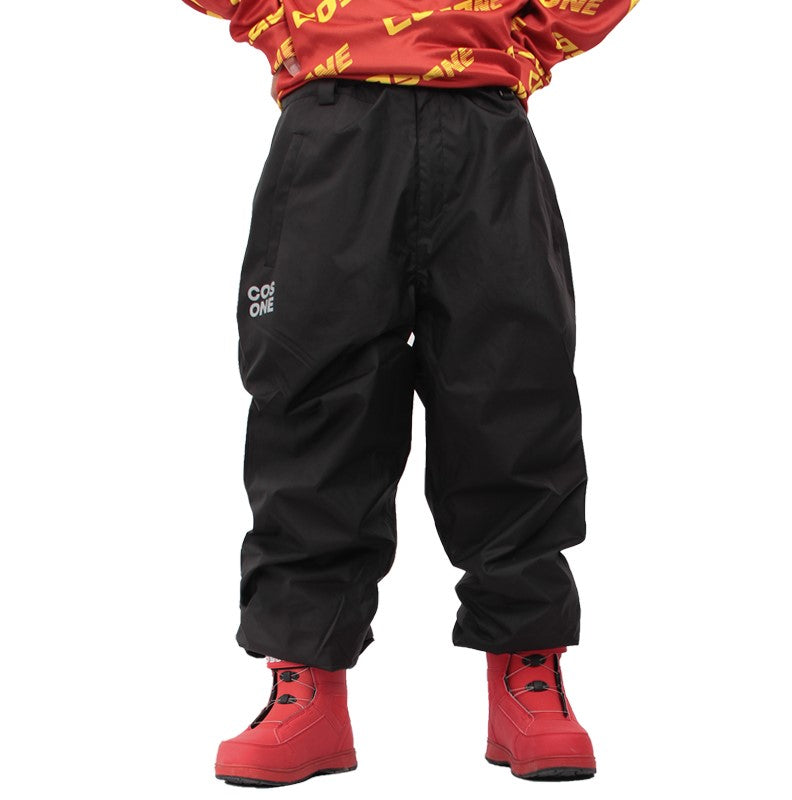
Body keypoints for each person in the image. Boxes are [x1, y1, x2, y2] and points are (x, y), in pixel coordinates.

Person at [180, 0, 640, 787]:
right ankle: (306, 685)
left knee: (515, 394)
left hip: (485, 120)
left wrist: (515, 43)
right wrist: (284, 22)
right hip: (332, 121)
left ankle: (526, 672)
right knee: (312, 395)